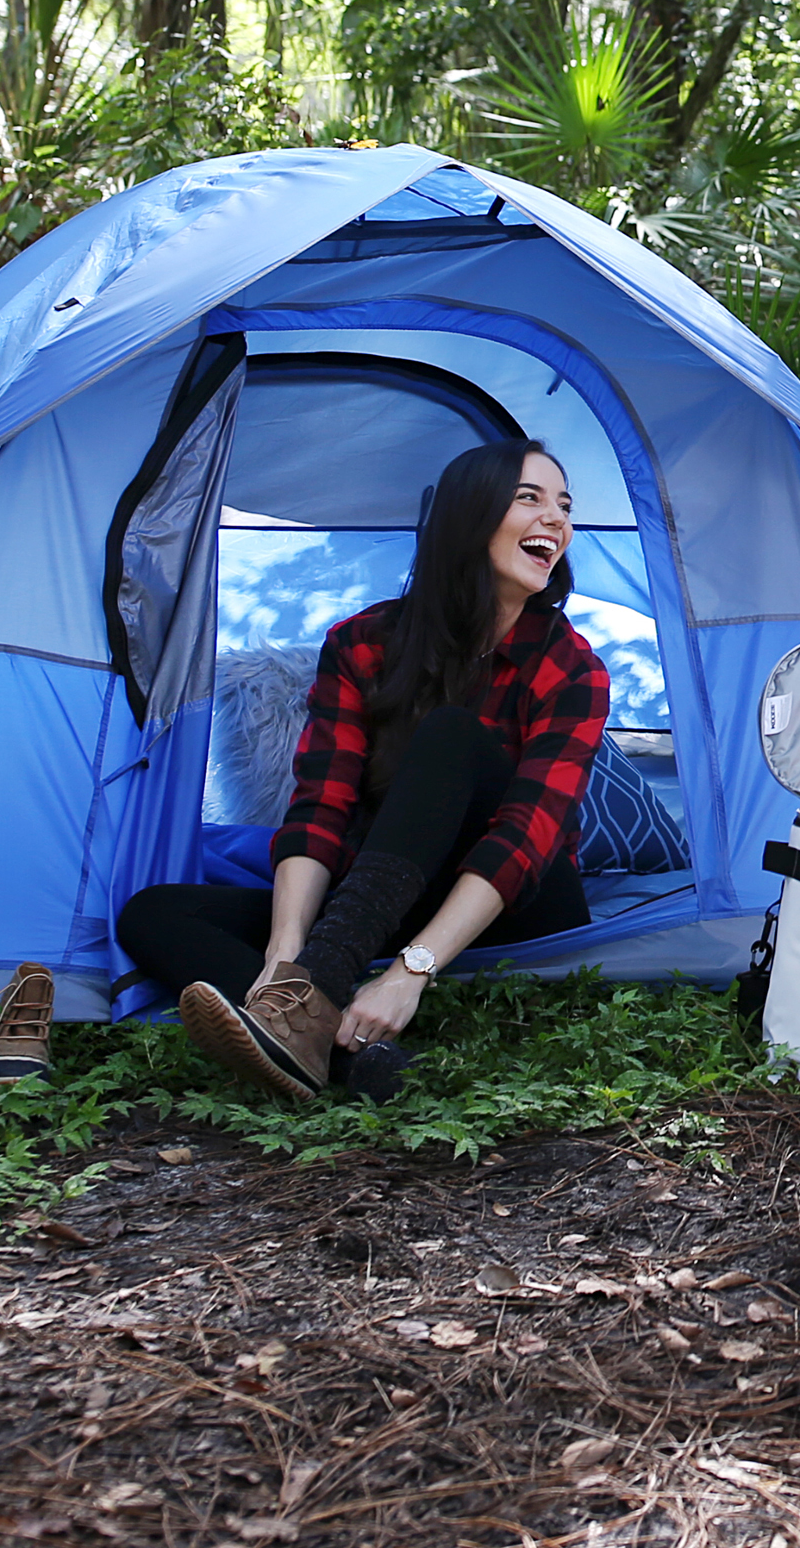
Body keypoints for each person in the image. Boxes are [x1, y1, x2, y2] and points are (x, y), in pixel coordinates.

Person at [115, 438, 608, 1101]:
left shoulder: (572, 667)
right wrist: (285, 951)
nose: (557, 519)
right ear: (468, 515)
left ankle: (316, 990)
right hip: (387, 894)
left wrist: (412, 970)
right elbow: (321, 806)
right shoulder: (362, 643)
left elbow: (527, 835)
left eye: (565, 506)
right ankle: (344, 1053)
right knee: (156, 913)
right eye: (530, 498)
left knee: (454, 735)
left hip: (515, 900)